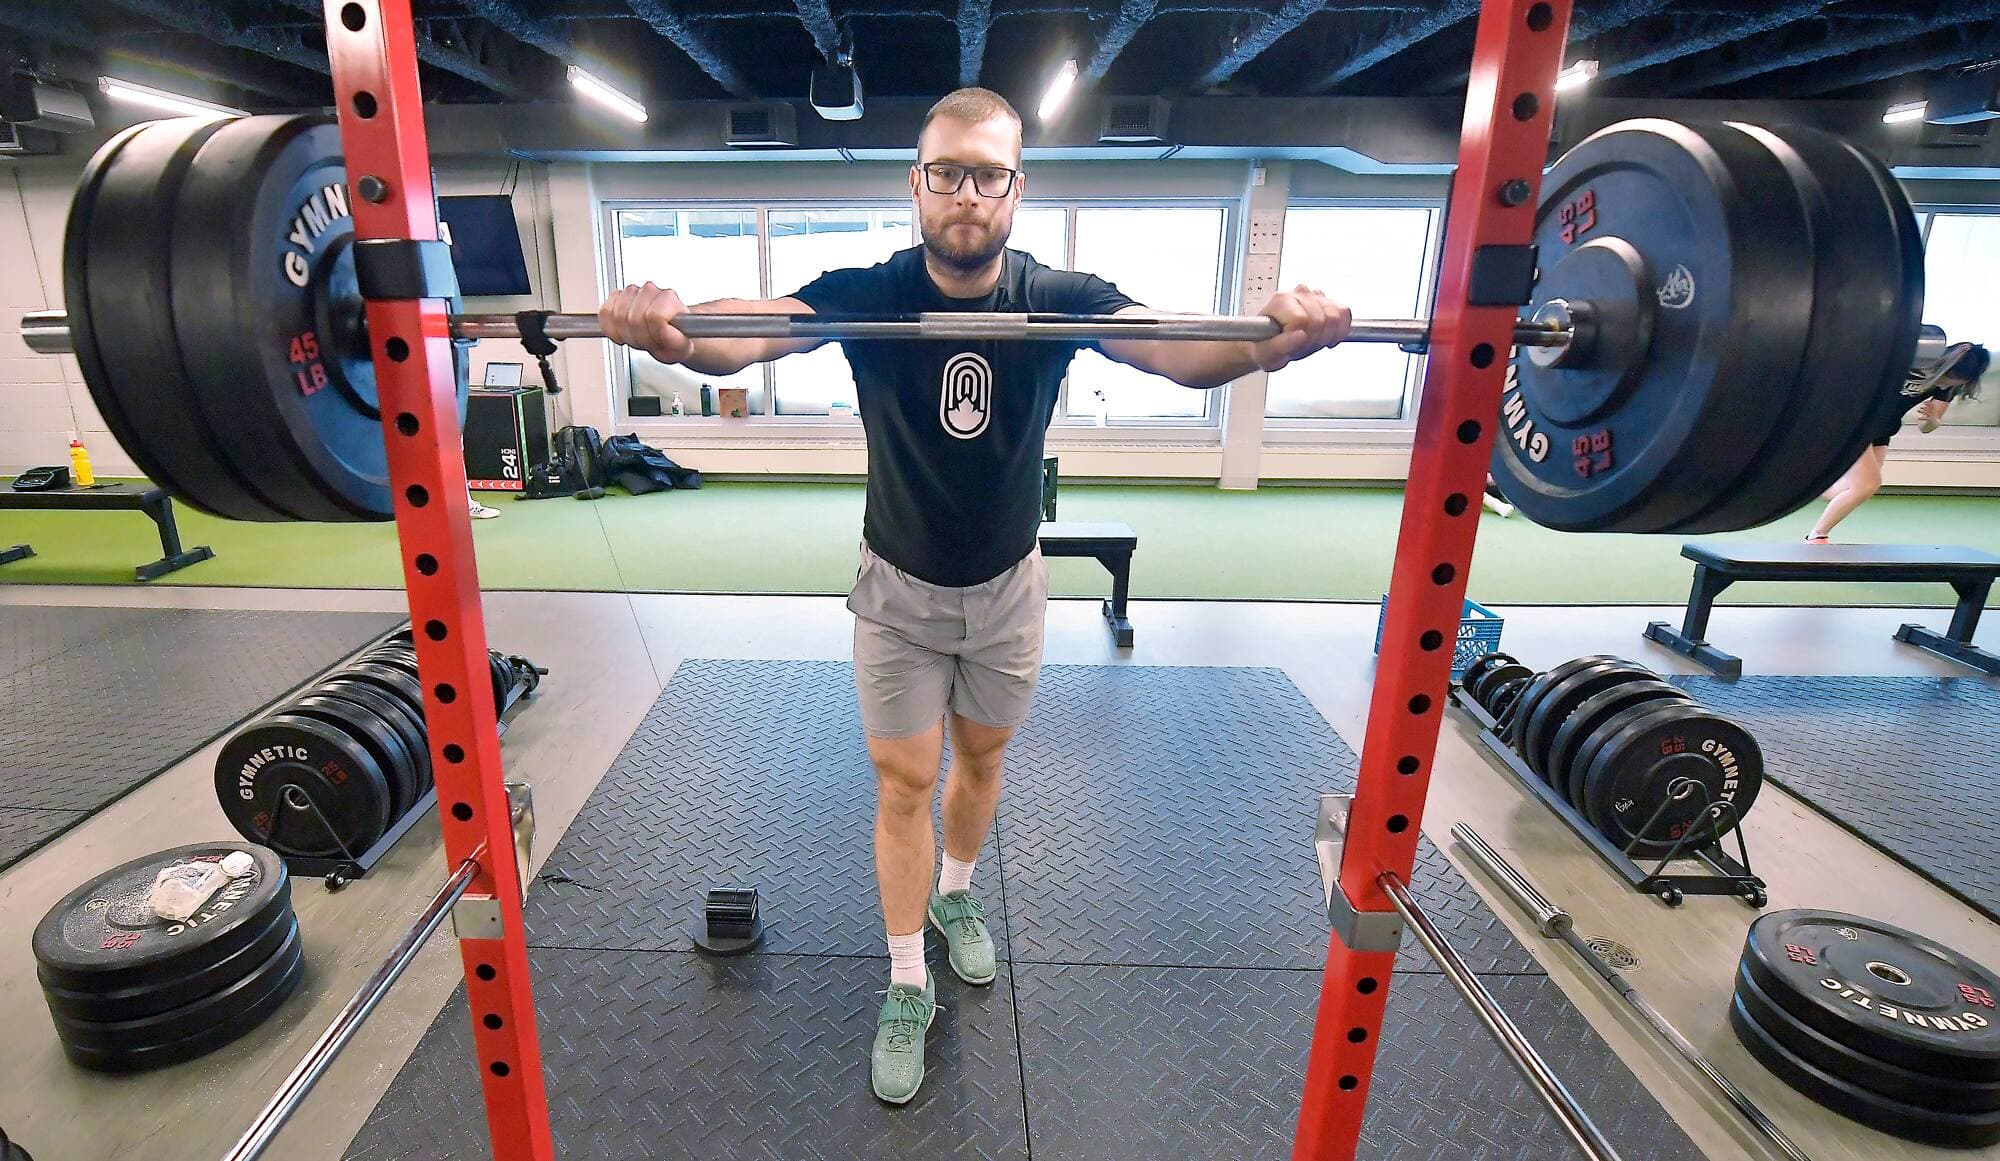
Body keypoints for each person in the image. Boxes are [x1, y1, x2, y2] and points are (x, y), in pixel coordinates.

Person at [596, 87, 1351, 1105]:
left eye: (985, 175)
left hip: (1007, 588)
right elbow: (756, 329)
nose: (964, 193)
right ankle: (906, 978)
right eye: (944, 172)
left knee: (981, 761)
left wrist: (1269, 341)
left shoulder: (1053, 295)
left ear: (1014, 189)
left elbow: (1175, 347)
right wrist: (676, 337)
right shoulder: (870, 289)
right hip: (896, 587)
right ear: (916, 183)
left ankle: (956, 897)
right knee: (904, 781)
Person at [1806, 342, 1988, 543]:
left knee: (1845, 491)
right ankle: (1816, 536)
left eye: (1953, 384)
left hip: (1883, 430)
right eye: (1946, 379)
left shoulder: (1947, 388)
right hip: (1857, 423)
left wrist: (1931, 418)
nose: (1945, 386)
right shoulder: (1909, 362)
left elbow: (1927, 428)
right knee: (1867, 485)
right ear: (1942, 366)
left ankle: (1810, 485)